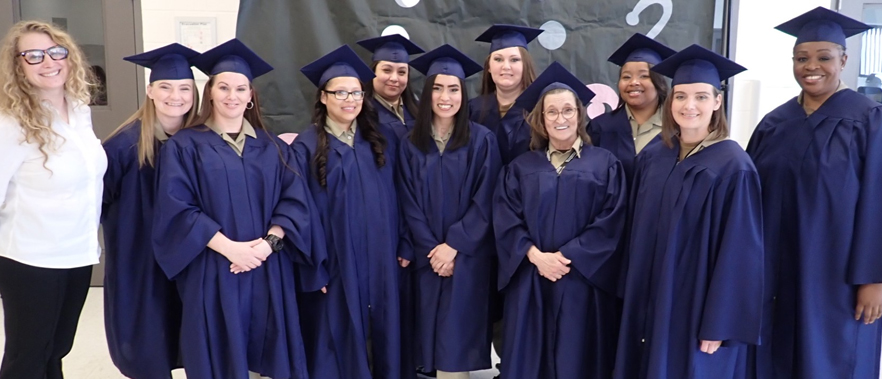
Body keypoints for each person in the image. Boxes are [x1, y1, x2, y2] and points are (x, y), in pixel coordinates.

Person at [152, 38, 327, 379]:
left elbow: (294, 203)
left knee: (270, 350)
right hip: (213, 268)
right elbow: (176, 208)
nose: (232, 95)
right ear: (211, 92)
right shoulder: (185, 146)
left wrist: (266, 246)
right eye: (224, 87)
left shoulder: (274, 147)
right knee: (219, 355)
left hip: (267, 266)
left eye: (241, 88)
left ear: (250, 96)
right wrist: (231, 249)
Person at [746, 7, 882, 378]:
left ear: (844, 59)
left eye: (824, 57)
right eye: (802, 58)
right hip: (775, 270)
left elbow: (878, 202)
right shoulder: (774, 123)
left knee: (834, 357)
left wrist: (874, 278)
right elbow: (747, 202)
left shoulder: (868, 119)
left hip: (837, 276)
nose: (812, 66)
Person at [614, 44, 763, 379]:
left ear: (717, 102)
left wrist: (719, 323)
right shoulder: (655, 157)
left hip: (695, 311)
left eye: (700, 96)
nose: (689, 105)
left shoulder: (734, 166)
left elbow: (740, 254)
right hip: (648, 302)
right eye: (680, 96)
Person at [494, 62, 626, 379]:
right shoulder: (521, 167)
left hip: (582, 280)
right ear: (540, 119)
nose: (560, 118)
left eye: (568, 110)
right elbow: (505, 218)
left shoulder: (604, 164)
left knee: (578, 360)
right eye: (551, 112)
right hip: (530, 279)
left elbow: (612, 221)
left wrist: (566, 258)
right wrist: (536, 256)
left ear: (580, 115)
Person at [0, 20, 106, 379]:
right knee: (26, 357)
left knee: (56, 350)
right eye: (33, 55)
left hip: (78, 253)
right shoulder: (10, 123)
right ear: (18, 66)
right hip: (30, 258)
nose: (49, 61)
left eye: (56, 51)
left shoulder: (79, 110)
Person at [294, 45, 406, 379]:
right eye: (340, 92)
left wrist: (403, 244)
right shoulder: (306, 145)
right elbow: (302, 213)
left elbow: (403, 196)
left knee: (386, 334)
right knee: (337, 337)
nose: (350, 99)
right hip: (336, 260)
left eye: (356, 92)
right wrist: (315, 266)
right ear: (324, 97)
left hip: (383, 258)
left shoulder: (382, 140)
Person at [399, 44, 502, 379]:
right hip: (427, 258)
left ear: (463, 93)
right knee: (426, 343)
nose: (446, 97)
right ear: (427, 93)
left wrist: (453, 245)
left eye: (454, 89)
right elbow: (407, 201)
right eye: (438, 88)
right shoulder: (409, 143)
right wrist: (432, 249)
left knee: (457, 345)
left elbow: (486, 198)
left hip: (466, 258)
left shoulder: (483, 140)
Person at [102, 43, 199, 379]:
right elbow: (98, 205)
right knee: (147, 340)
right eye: (166, 87)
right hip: (138, 261)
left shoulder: (199, 142)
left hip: (186, 259)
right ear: (150, 91)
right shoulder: (123, 146)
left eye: (185, 88)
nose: (176, 96)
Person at [587, 33, 674, 181]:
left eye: (644, 76)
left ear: (658, 82)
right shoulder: (600, 127)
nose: (633, 82)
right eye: (626, 77)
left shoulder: (675, 128)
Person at [470, 24, 542, 165]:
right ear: (489, 67)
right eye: (498, 59)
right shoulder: (472, 110)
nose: (506, 66)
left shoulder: (539, 111)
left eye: (514, 60)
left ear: (525, 65)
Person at [357, 34, 424, 140]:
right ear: (373, 71)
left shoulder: (420, 110)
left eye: (401, 72)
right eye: (387, 70)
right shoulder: (360, 112)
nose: (394, 78)